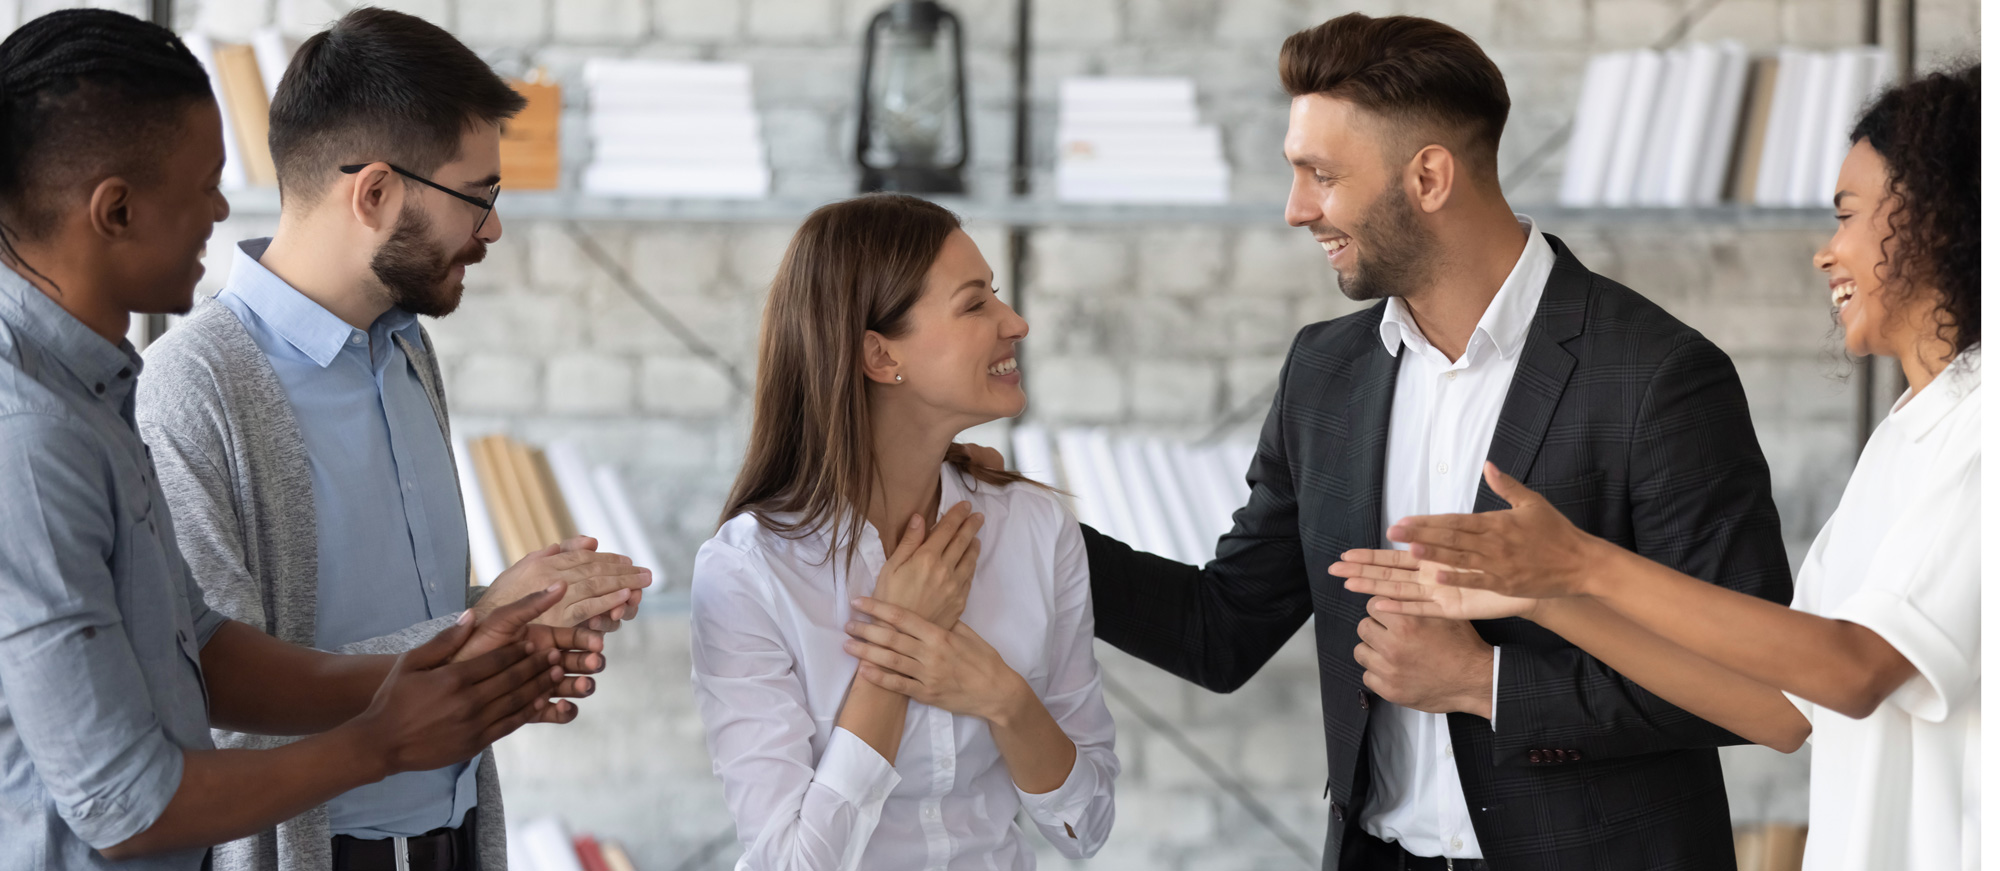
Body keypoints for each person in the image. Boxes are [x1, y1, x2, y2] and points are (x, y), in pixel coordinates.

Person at [1041, 14, 1793, 869]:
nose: (1296, 210)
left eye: (1321, 175)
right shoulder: (1323, 374)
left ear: (1428, 176)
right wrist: (1020, 532)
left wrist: (1485, 683)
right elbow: (1222, 629)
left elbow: (1748, 689)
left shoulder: (1658, 377)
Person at [0, 10, 605, 870]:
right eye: (203, 183)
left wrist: (471, 653)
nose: (221, 207)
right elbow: (124, 801)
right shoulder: (46, 429)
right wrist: (384, 737)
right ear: (117, 209)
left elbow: (201, 643)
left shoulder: (98, 388)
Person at [1337, 64, 1980, 871]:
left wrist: (1584, 564)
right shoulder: (1910, 431)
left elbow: (1854, 673)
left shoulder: (1983, 429)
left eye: (1848, 215)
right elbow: (1781, 708)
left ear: (1943, 223)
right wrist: (1547, 597)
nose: (1826, 253)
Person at [689, 194, 1118, 870]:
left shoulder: (1035, 529)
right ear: (880, 355)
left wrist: (1004, 697)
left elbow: (1085, 825)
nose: (1016, 322)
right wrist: (894, 653)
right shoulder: (749, 572)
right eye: (976, 304)